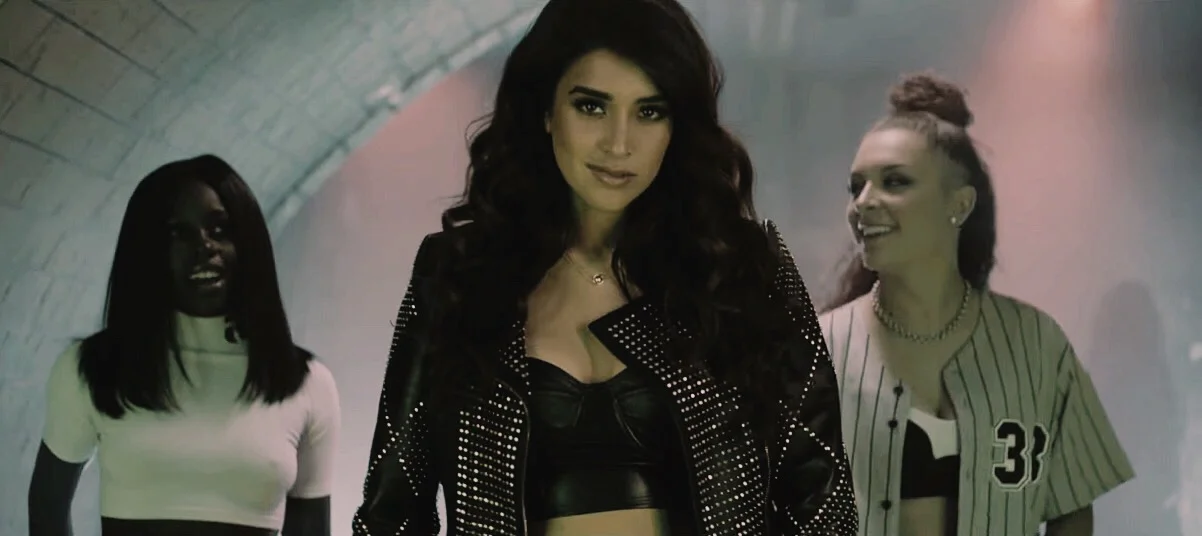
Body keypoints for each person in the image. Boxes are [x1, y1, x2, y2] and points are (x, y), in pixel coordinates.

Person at [351, 0, 857, 535]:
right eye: (592, 107)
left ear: (677, 125)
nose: (619, 144)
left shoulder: (741, 270)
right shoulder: (457, 275)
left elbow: (822, 506)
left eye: (649, 112)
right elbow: (391, 514)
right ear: (546, 111)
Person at [816, 72, 1133, 536]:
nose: (863, 203)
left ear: (960, 205)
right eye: (855, 187)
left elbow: (1071, 509)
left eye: (895, 182)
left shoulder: (1037, 346)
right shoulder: (816, 351)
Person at [28, 155, 341, 536]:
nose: (204, 247)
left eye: (220, 229)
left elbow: (311, 529)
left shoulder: (307, 383)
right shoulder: (92, 370)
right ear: (146, 252)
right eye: (178, 233)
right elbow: (46, 508)